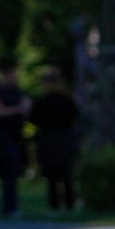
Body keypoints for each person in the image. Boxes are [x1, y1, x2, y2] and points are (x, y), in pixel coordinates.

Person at [31, 67, 81, 211]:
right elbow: (75, 117)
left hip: (49, 139)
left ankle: (55, 205)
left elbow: (34, 119)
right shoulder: (67, 100)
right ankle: (69, 203)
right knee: (66, 173)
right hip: (64, 138)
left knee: (53, 175)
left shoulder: (42, 101)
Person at [0, 58, 31, 217]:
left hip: (16, 136)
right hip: (2, 136)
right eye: (14, 73)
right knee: (6, 171)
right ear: (6, 74)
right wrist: (18, 109)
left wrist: (25, 107)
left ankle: (12, 206)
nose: (16, 76)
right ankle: (9, 207)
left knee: (13, 172)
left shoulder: (17, 91)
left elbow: (26, 108)